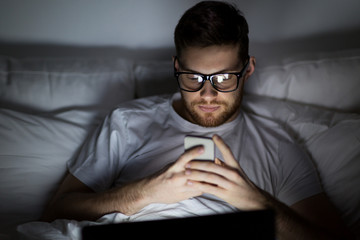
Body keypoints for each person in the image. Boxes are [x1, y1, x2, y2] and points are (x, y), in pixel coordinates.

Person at [41, 1, 351, 239]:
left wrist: (256, 202)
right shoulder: (127, 121)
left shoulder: (278, 146)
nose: (207, 94)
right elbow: (56, 210)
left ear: (248, 69)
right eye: (193, 77)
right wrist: (145, 192)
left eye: (224, 77)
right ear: (176, 67)